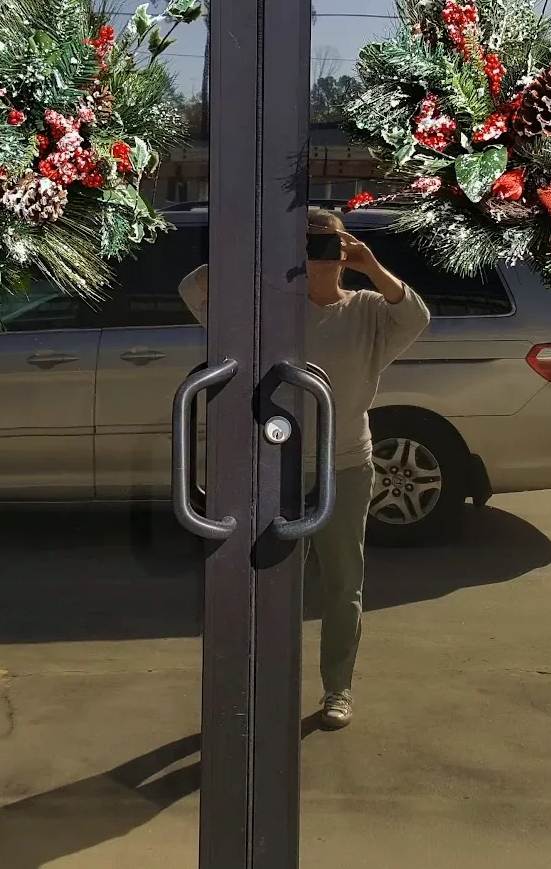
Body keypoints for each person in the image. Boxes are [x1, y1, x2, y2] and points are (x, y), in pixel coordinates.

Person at [179, 207, 430, 729]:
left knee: (343, 583)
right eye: (308, 241)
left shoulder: (367, 310)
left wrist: (371, 266)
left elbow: (416, 317)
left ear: (346, 246)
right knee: (272, 585)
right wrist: (260, 250)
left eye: (327, 241)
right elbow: (193, 291)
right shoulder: (270, 311)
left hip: (346, 464)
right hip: (277, 468)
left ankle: (338, 687)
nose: (319, 252)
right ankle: (268, 688)